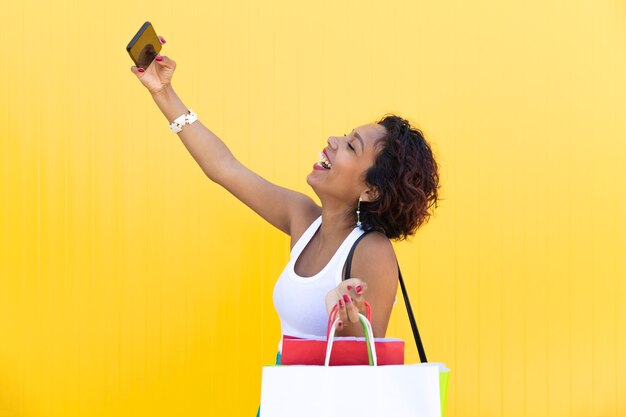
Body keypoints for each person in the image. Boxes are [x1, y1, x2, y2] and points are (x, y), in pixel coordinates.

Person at [131, 35, 441, 415]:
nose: (333, 140)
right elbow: (225, 168)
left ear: (371, 190)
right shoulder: (303, 218)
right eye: (346, 136)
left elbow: (361, 378)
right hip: (284, 402)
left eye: (351, 146)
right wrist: (163, 93)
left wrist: (344, 323)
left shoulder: (372, 251)